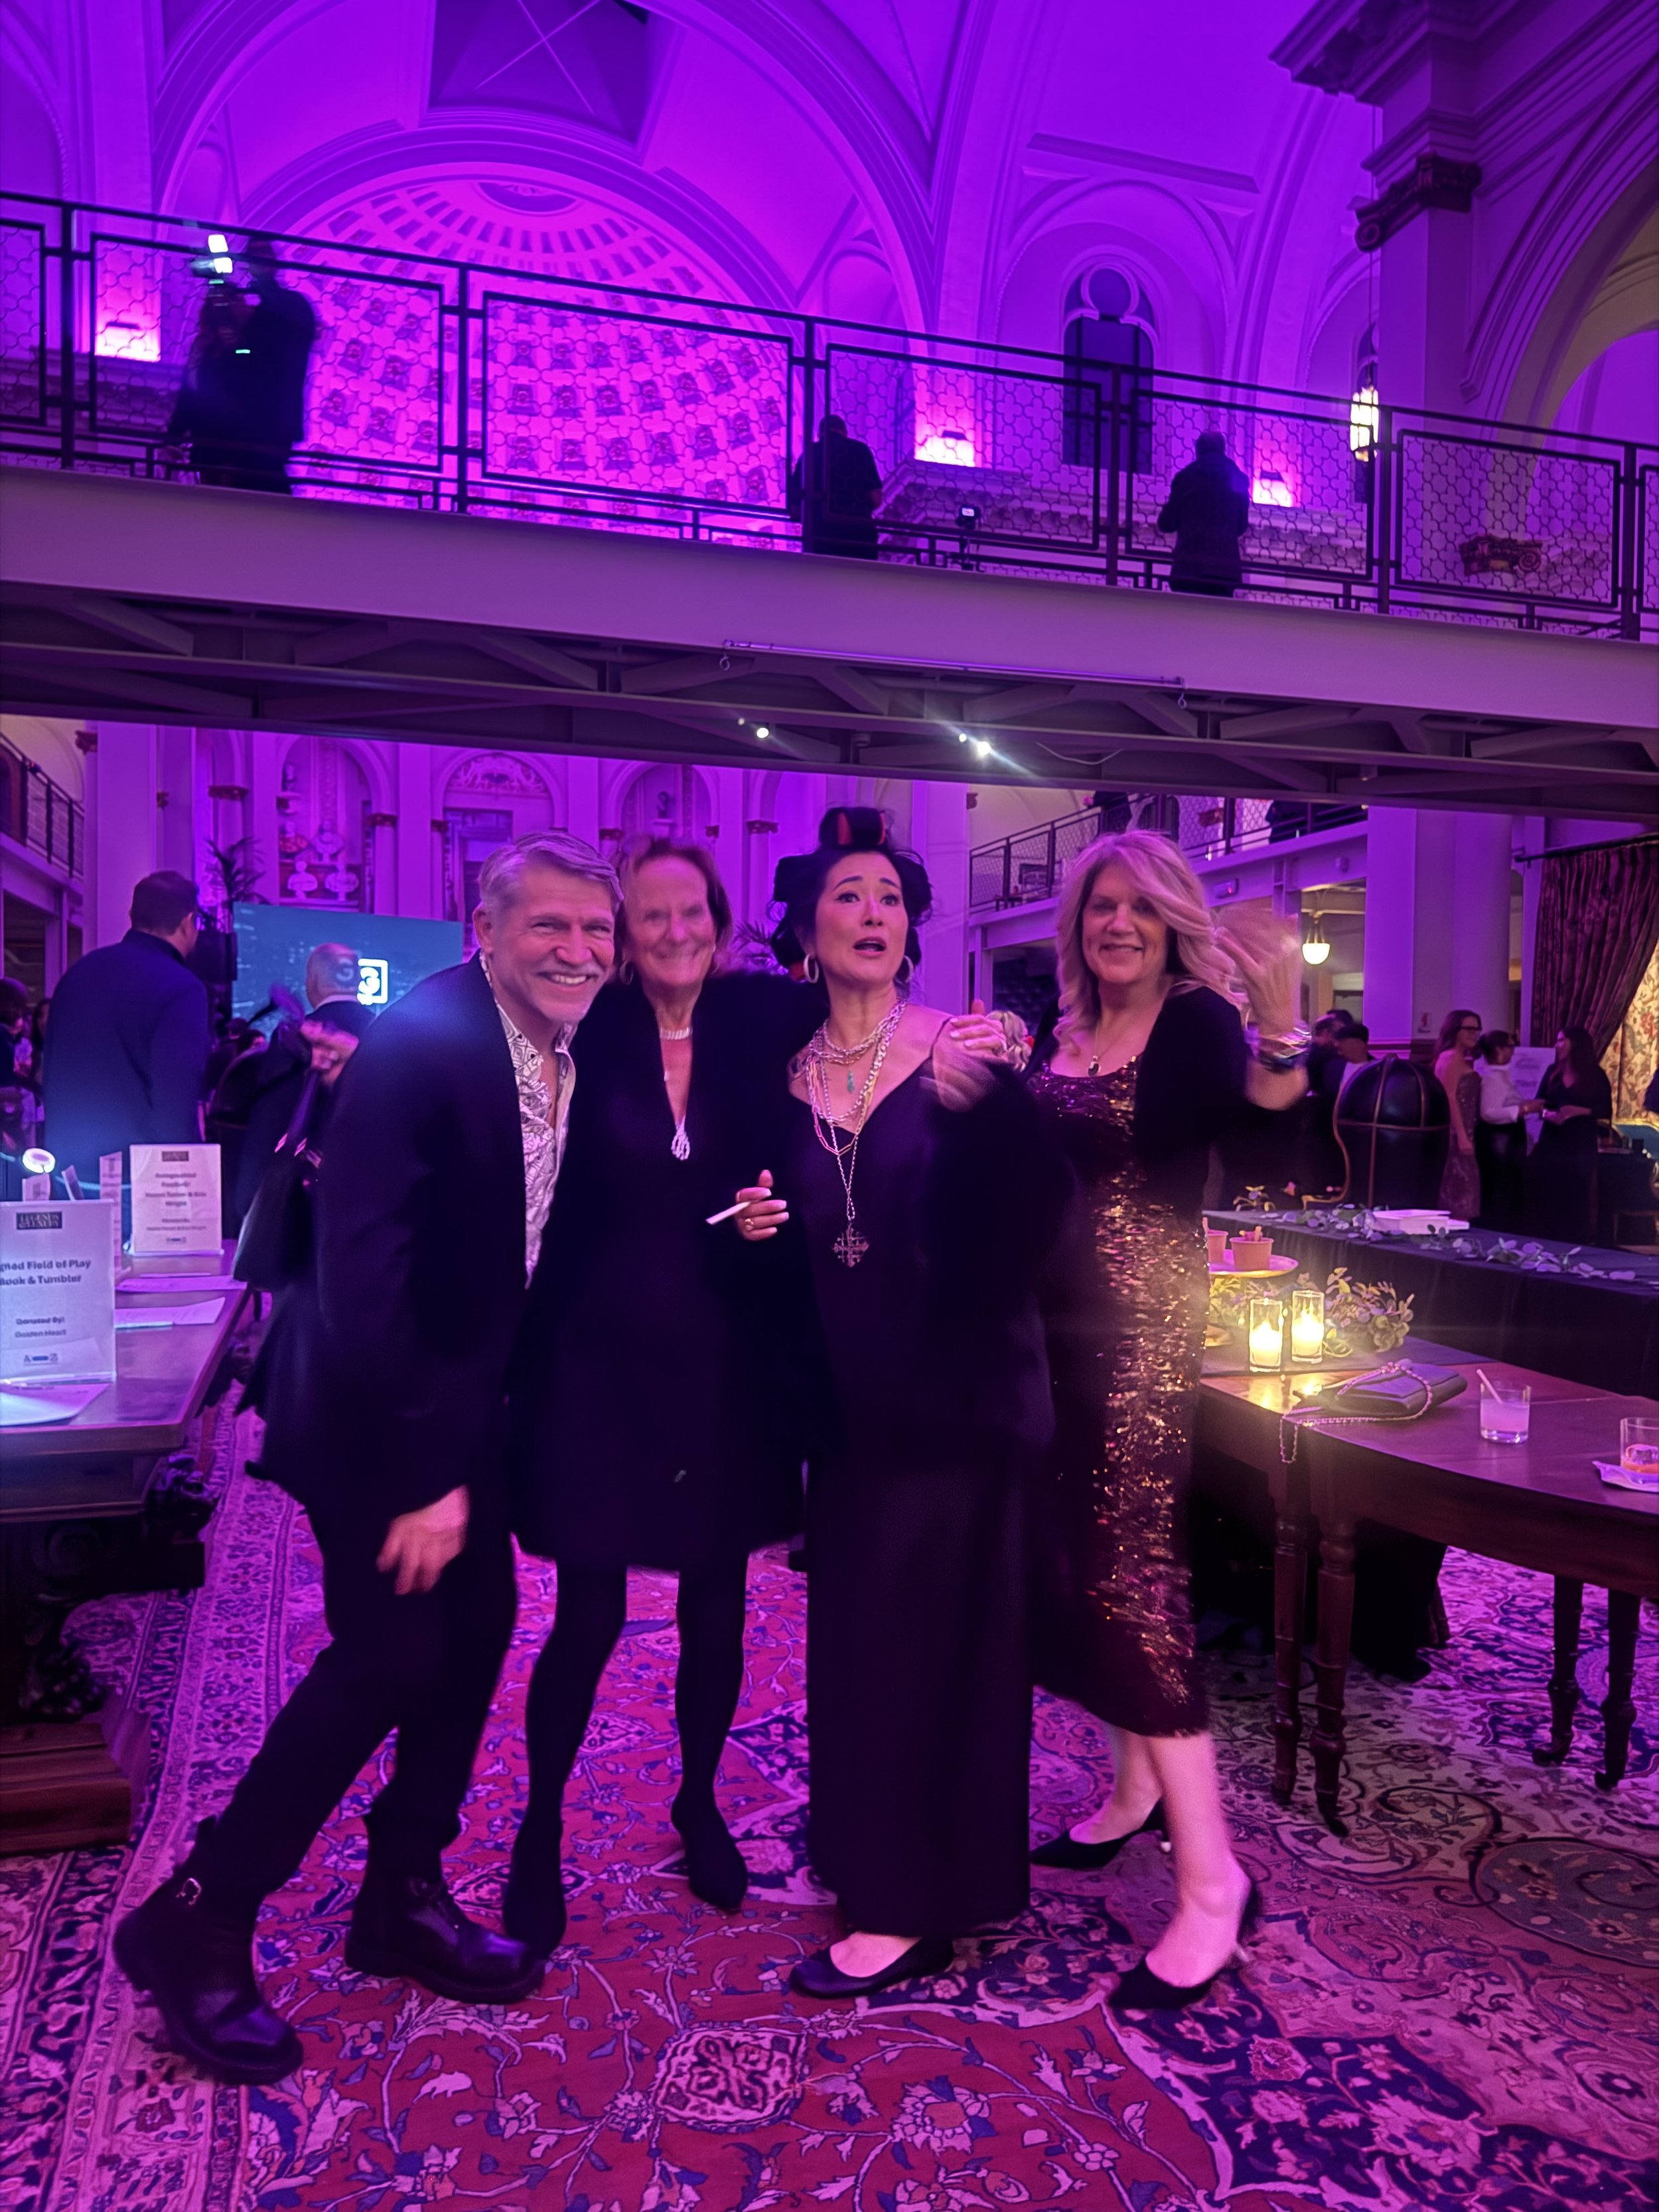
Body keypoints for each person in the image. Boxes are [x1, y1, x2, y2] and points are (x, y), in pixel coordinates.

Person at [114, 831, 621, 2086]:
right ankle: (201, 1914)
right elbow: (366, 1275)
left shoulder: (551, 1050)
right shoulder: (425, 1048)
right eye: (550, 926)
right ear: (484, 931)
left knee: (481, 1626)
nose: (578, 950)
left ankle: (401, 1890)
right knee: (392, 1652)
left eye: (594, 931)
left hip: (464, 1406)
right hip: (374, 1412)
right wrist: (425, 1476)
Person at [760, 807, 1068, 2000]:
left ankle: (906, 1905)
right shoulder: (782, 1072)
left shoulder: (966, 1046)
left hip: (958, 1388)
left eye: (891, 895)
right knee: (859, 1638)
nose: (874, 912)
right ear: (807, 926)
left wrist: (991, 1107)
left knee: (936, 1636)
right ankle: (894, 1864)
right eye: (849, 893)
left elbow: (1041, 1210)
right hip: (845, 1400)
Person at [504, 839, 824, 1955]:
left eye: (692, 909)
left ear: (720, 918)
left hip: (726, 1357)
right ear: (626, 936)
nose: (675, 928)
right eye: (651, 915)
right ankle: (538, 1826)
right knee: (586, 1616)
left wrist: (995, 1036)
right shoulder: (585, 1027)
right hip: (596, 1359)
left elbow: (882, 1018)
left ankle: (697, 1796)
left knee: (716, 1604)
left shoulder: (764, 1019)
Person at [1025, 830, 1304, 2012]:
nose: (1119, 923)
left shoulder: (1192, 1020)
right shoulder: (1065, 1028)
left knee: (1136, 1579)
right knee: (1088, 1567)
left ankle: (1212, 1882)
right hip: (1050, 1331)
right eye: (1101, 905)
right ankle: (1133, 1790)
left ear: (1171, 921)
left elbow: (1267, 1122)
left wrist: (1285, 1021)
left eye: (1141, 906)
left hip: (1140, 1333)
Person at [42, 871, 211, 1185]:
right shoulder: (182, 987)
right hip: (139, 1180)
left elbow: (51, 1069)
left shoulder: (78, 973)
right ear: (189, 922)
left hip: (67, 1171)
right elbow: (175, 1098)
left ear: (133, 916)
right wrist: (189, 1183)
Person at [224, 943, 377, 1224]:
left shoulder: (295, 1041)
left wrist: (247, 1205)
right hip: (373, 1209)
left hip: (305, 1217)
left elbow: (269, 1125)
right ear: (358, 981)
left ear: (313, 981)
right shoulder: (386, 1037)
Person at [236, 238, 317, 493]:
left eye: (260, 257)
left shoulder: (291, 305)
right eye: (251, 259)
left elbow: (260, 352)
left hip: (274, 413)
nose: (254, 265)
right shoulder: (266, 310)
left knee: (266, 480)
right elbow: (247, 353)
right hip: (259, 413)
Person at [161, 286, 258, 487]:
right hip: (208, 441)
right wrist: (174, 438)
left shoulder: (248, 345)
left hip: (238, 442)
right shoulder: (202, 347)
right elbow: (189, 394)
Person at [1525, 1023, 1613, 1243]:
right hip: (1552, 1140)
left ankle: (1575, 1239)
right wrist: (1548, 1114)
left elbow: (1605, 1110)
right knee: (1549, 1188)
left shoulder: (1595, 1075)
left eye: (1562, 1040)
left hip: (1579, 1140)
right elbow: (1540, 1103)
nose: (1557, 1045)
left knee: (1575, 1191)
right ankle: (1547, 1238)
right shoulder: (1552, 1072)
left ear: (1577, 1045)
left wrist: (1579, 1111)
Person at [1157, 431, 1249, 597]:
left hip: (1190, 569)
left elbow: (1166, 523)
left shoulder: (1186, 478)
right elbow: (1241, 526)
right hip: (1224, 571)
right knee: (1218, 620)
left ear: (1198, 451)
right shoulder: (1238, 479)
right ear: (1223, 450)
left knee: (1189, 619)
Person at [787, 414, 883, 558]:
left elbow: (795, 509)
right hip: (860, 535)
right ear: (845, 432)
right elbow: (876, 497)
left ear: (820, 435)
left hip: (821, 536)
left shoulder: (810, 454)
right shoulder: (861, 450)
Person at [1473, 1029, 1538, 1231]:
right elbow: (1488, 1113)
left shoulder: (1502, 1076)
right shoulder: (1492, 1078)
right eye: (1510, 1047)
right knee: (1500, 1190)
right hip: (1498, 1145)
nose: (1513, 1052)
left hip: (1507, 1144)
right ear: (1498, 1050)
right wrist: (1522, 1110)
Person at [1433, 1009, 1482, 1219]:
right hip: (1456, 1133)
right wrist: (1462, 1137)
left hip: (1465, 1130)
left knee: (1464, 1190)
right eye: (1469, 1029)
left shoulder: (1459, 1057)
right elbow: (1450, 1097)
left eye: (1477, 1029)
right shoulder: (1450, 1057)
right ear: (1455, 1030)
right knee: (1460, 1193)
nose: (1475, 1034)